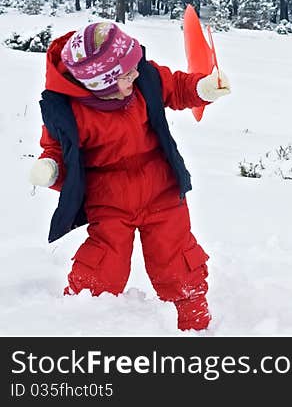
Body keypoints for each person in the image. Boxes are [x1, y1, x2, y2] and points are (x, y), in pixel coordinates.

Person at [28, 21, 230, 331]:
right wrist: (50, 167)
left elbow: (175, 87)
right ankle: (80, 318)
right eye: (125, 74)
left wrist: (201, 88)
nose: (135, 74)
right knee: (104, 261)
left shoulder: (143, 79)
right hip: (108, 197)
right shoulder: (68, 111)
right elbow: (58, 147)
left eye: (134, 66)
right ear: (100, 84)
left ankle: (196, 325)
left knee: (175, 255)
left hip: (160, 187)